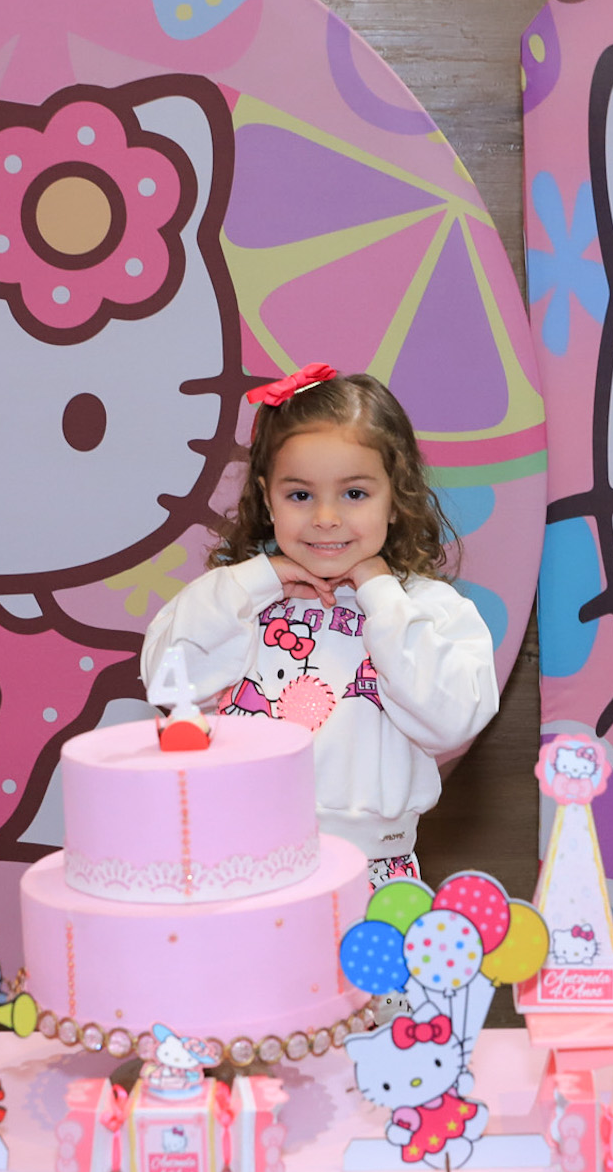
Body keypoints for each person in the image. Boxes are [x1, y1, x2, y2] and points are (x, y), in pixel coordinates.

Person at [142, 363, 498, 886]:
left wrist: (380, 593)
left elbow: (453, 718)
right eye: (300, 495)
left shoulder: (428, 609)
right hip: (239, 862)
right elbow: (168, 680)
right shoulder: (240, 599)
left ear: (396, 497)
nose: (326, 517)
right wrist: (255, 581)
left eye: (354, 494)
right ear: (267, 498)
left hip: (371, 873)